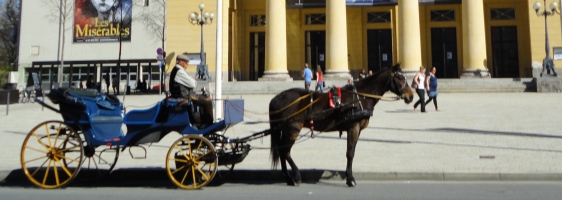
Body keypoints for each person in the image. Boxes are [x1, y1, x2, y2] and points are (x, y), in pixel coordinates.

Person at [170, 53, 214, 128]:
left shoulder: (178, 70)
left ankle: (202, 122)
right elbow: (193, 84)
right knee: (207, 102)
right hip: (185, 96)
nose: (187, 64)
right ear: (181, 62)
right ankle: (207, 123)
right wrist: (191, 80)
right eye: (186, 63)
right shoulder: (179, 72)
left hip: (186, 94)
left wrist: (190, 79)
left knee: (204, 98)